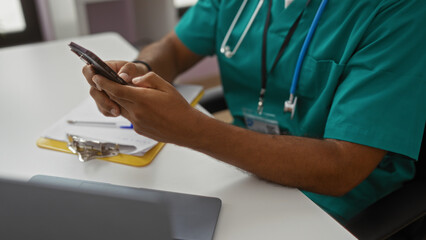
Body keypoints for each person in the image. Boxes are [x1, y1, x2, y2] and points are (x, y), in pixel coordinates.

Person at [82, 0, 426, 222]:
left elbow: (342, 167)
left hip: (333, 200)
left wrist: (192, 130)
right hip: (241, 165)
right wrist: (138, 69)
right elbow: (173, 48)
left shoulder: (398, 11)